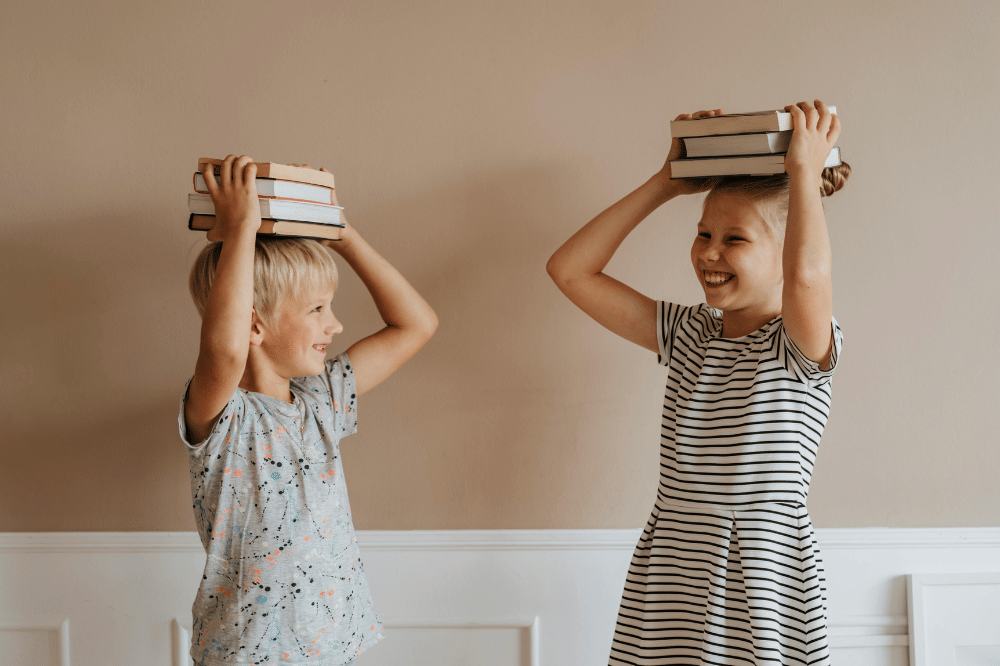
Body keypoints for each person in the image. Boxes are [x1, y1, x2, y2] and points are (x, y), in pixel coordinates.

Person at [547, 102, 850, 665]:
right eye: (703, 232)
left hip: (761, 580)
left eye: (734, 240)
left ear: (785, 252)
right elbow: (570, 269)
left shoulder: (799, 347)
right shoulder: (689, 333)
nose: (709, 251)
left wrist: (804, 173)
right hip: (672, 576)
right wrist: (668, 183)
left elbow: (809, 275)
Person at [181, 154, 438, 666]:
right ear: (254, 326)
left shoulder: (322, 400)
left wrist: (341, 235)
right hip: (249, 650)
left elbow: (416, 324)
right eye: (317, 309)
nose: (335, 325)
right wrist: (240, 233)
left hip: (333, 642)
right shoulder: (224, 415)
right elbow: (226, 350)